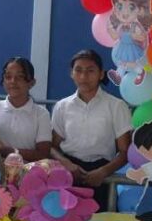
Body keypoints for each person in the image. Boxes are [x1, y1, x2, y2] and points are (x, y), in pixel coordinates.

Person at [51, 49, 132, 211]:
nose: (83, 76)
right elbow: (51, 147)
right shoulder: (62, 106)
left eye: (90, 71)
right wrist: (67, 164)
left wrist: (103, 172)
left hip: (102, 174)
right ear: (71, 74)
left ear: (101, 74)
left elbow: (125, 152)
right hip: (69, 173)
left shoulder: (116, 106)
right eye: (78, 70)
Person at [0, 57, 51, 162]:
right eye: (8, 76)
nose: (13, 81)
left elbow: (42, 154)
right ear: (3, 81)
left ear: (32, 83)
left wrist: (7, 151)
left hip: (27, 174)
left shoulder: (41, 114)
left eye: (20, 77)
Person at [106, 0, 152, 87]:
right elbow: (115, 36)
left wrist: (135, 35)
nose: (125, 12)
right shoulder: (121, 26)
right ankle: (119, 75)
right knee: (123, 63)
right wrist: (110, 29)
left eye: (131, 7)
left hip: (132, 48)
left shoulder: (135, 25)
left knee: (129, 63)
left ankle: (139, 71)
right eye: (120, 6)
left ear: (140, 10)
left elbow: (142, 38)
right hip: (123, 47)